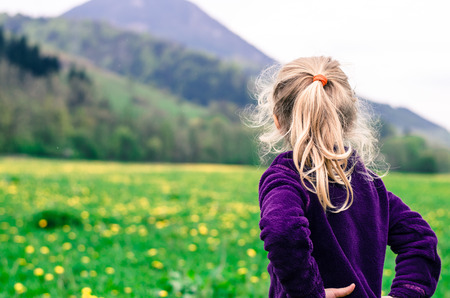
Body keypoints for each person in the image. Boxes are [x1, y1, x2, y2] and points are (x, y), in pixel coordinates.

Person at [246, 56, 441, 297]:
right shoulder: (369, 185)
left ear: (277, 120)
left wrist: (309, 293)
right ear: (349, 121)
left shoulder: (285, 178)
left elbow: (282, 229)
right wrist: (406, 293)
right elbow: (421, 239)